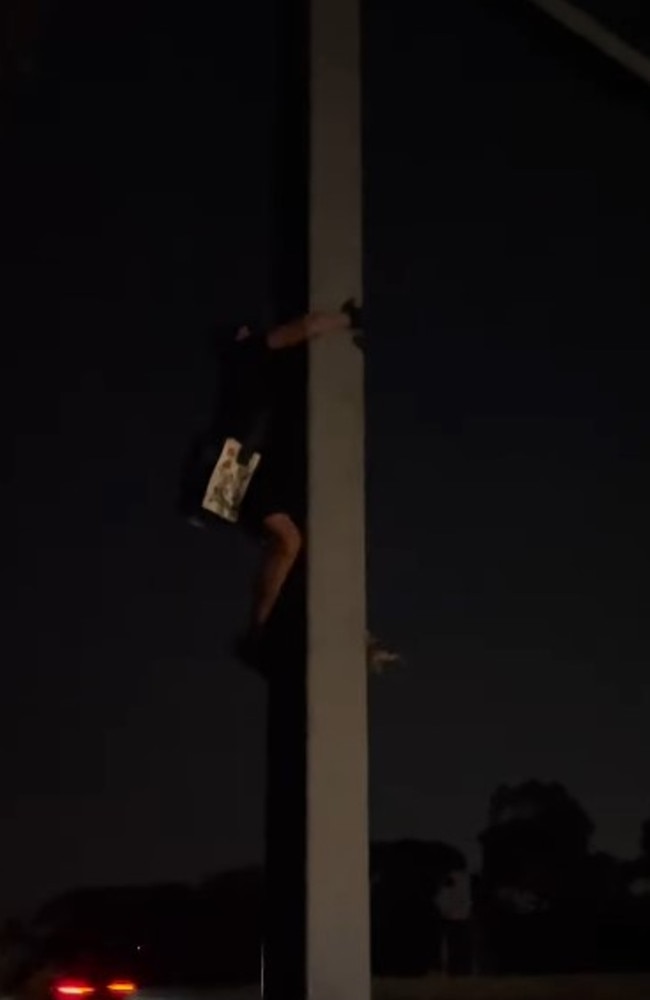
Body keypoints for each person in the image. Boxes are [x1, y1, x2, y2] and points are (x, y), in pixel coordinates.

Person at [187, 301, 399, 674]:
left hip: (241, 466)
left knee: (292, 545)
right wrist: (347, 319)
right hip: (233, 467)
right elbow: (305, 326)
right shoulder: (250, 353)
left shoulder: (252, 369)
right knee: (289, 542)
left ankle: (273, 628)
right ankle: (258, 632)